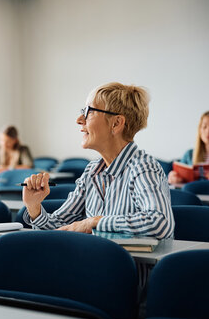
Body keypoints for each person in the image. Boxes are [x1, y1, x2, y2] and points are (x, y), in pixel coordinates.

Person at [22, 82, 174, 239]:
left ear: (116, 123)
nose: (79, 119)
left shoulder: (143, 167)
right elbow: (59, 227)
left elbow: (160, 223)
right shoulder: (92, 170)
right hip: (93, 261)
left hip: (127, 263)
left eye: (89, 111)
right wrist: (34, 207)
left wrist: (94, 222)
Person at [168, 111, 209, 184]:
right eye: (204, 127)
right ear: (200, 130)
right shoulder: (189, 154)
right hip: (191, 194)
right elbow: (177, 180)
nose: (208, 131)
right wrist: (172, 178)